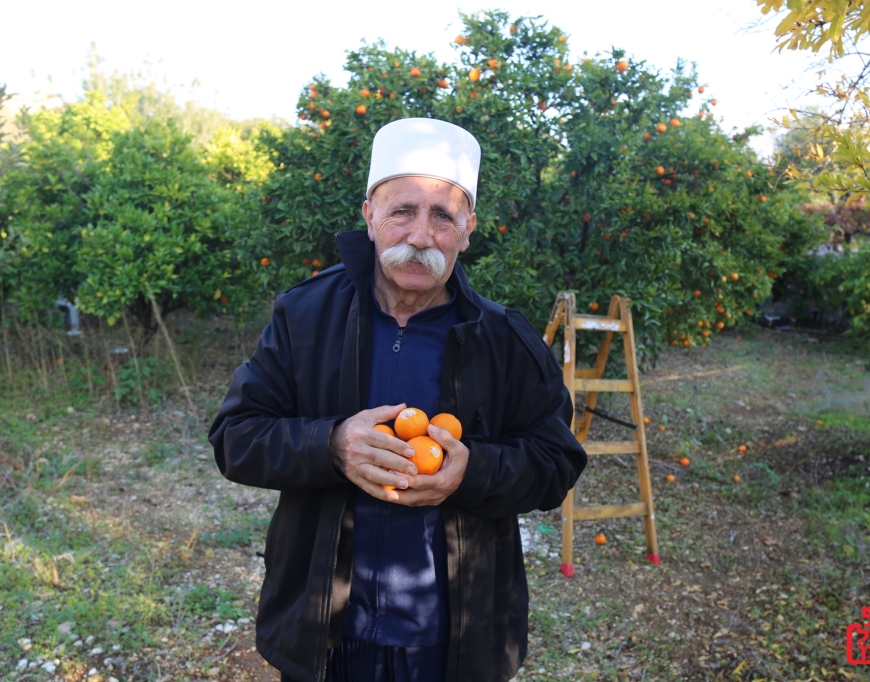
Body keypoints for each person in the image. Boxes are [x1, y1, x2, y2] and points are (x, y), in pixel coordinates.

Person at [209, 118, 587, 682]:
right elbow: (235, 437)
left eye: (443, 216)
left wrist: (473, 470)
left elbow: (555, 462)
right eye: (402, 211)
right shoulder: (304, 316)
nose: (419, 235)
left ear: (468, 230)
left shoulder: (505, 339)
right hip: (327, 631)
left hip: (453, 640)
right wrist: (331, 444)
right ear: (369, 216)